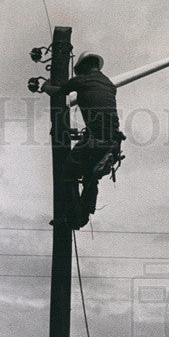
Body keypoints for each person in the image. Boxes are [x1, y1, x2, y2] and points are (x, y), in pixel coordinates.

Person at [42, 51, 123, 228]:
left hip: (95, 139)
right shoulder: (109, 84)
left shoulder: (83, 80)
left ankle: (71, 217)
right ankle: (83, 216)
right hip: (112, 142)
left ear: (84, 67)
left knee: (68, 173)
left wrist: (45, 85)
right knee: (90, 175)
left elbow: (58, 91)